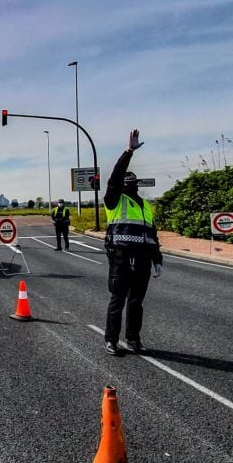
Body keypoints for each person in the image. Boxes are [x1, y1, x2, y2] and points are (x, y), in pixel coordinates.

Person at [102, 129, 162, 356]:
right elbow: (115, 177)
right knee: (117, 300)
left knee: (136, 302)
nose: (129, 183)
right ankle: (111, 340)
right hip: (120, 256)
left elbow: (152, 235)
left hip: (143, 259)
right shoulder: (114, 201)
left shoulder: (145, 205)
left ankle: (133, 339)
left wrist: (158, 260)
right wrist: (129, 152)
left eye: (131, 181)